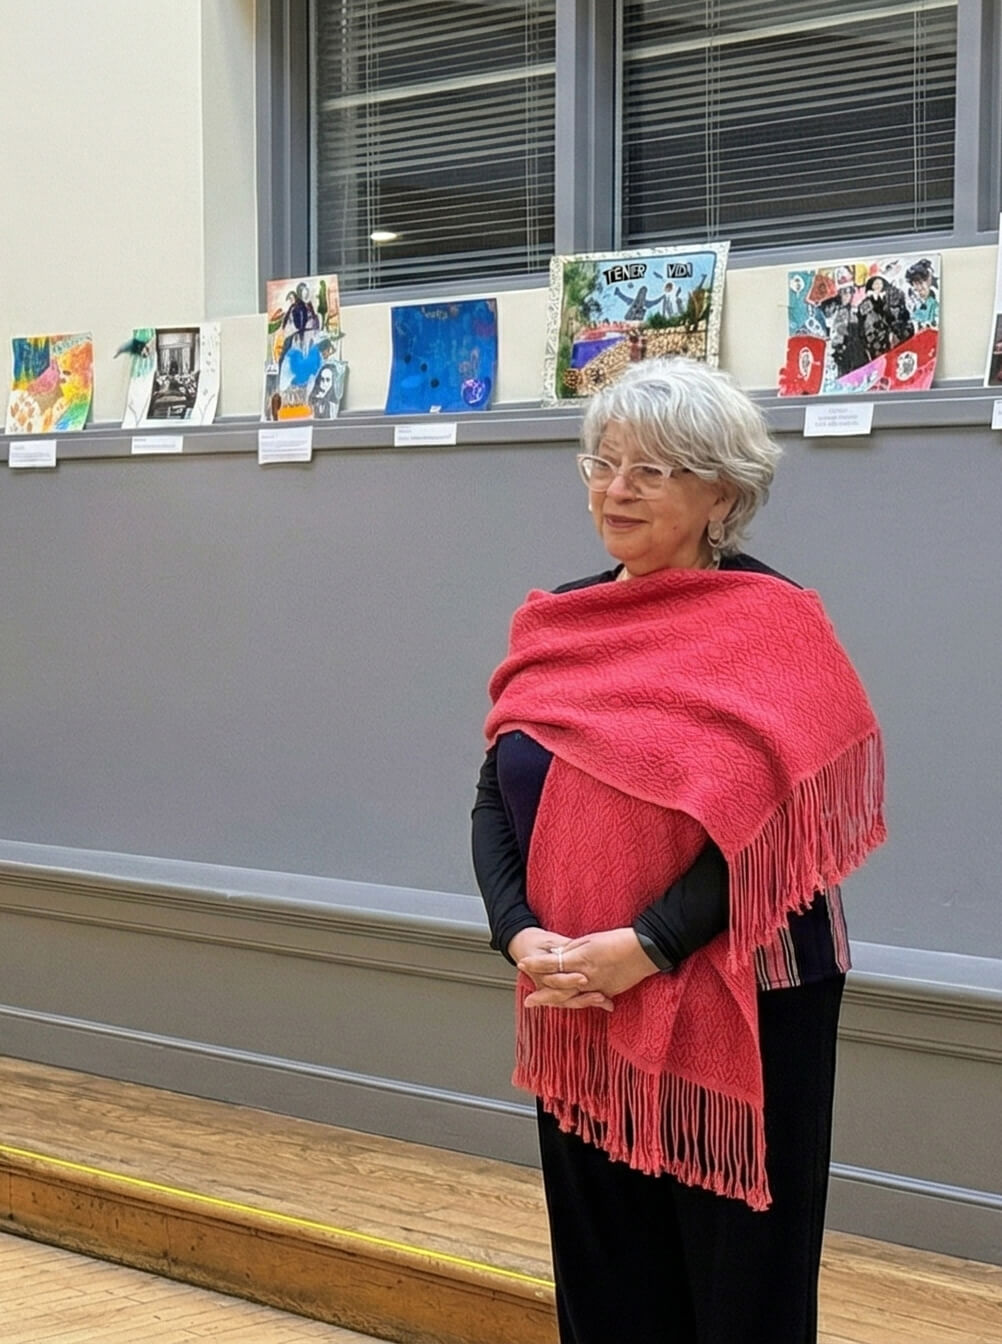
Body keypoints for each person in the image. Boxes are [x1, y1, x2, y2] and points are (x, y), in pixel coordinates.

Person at [472, 357, 886, 1344]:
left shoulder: (777, 627)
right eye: (602, 463)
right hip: (576, 992)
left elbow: (788, 828)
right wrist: (521, 935)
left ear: (722, 492)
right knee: (607, 1280)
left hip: (747, 992)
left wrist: (646, 947)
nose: (614, 489)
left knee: (743, 1290)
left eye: (650, 471)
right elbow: (497, 791)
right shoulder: (561, 620)